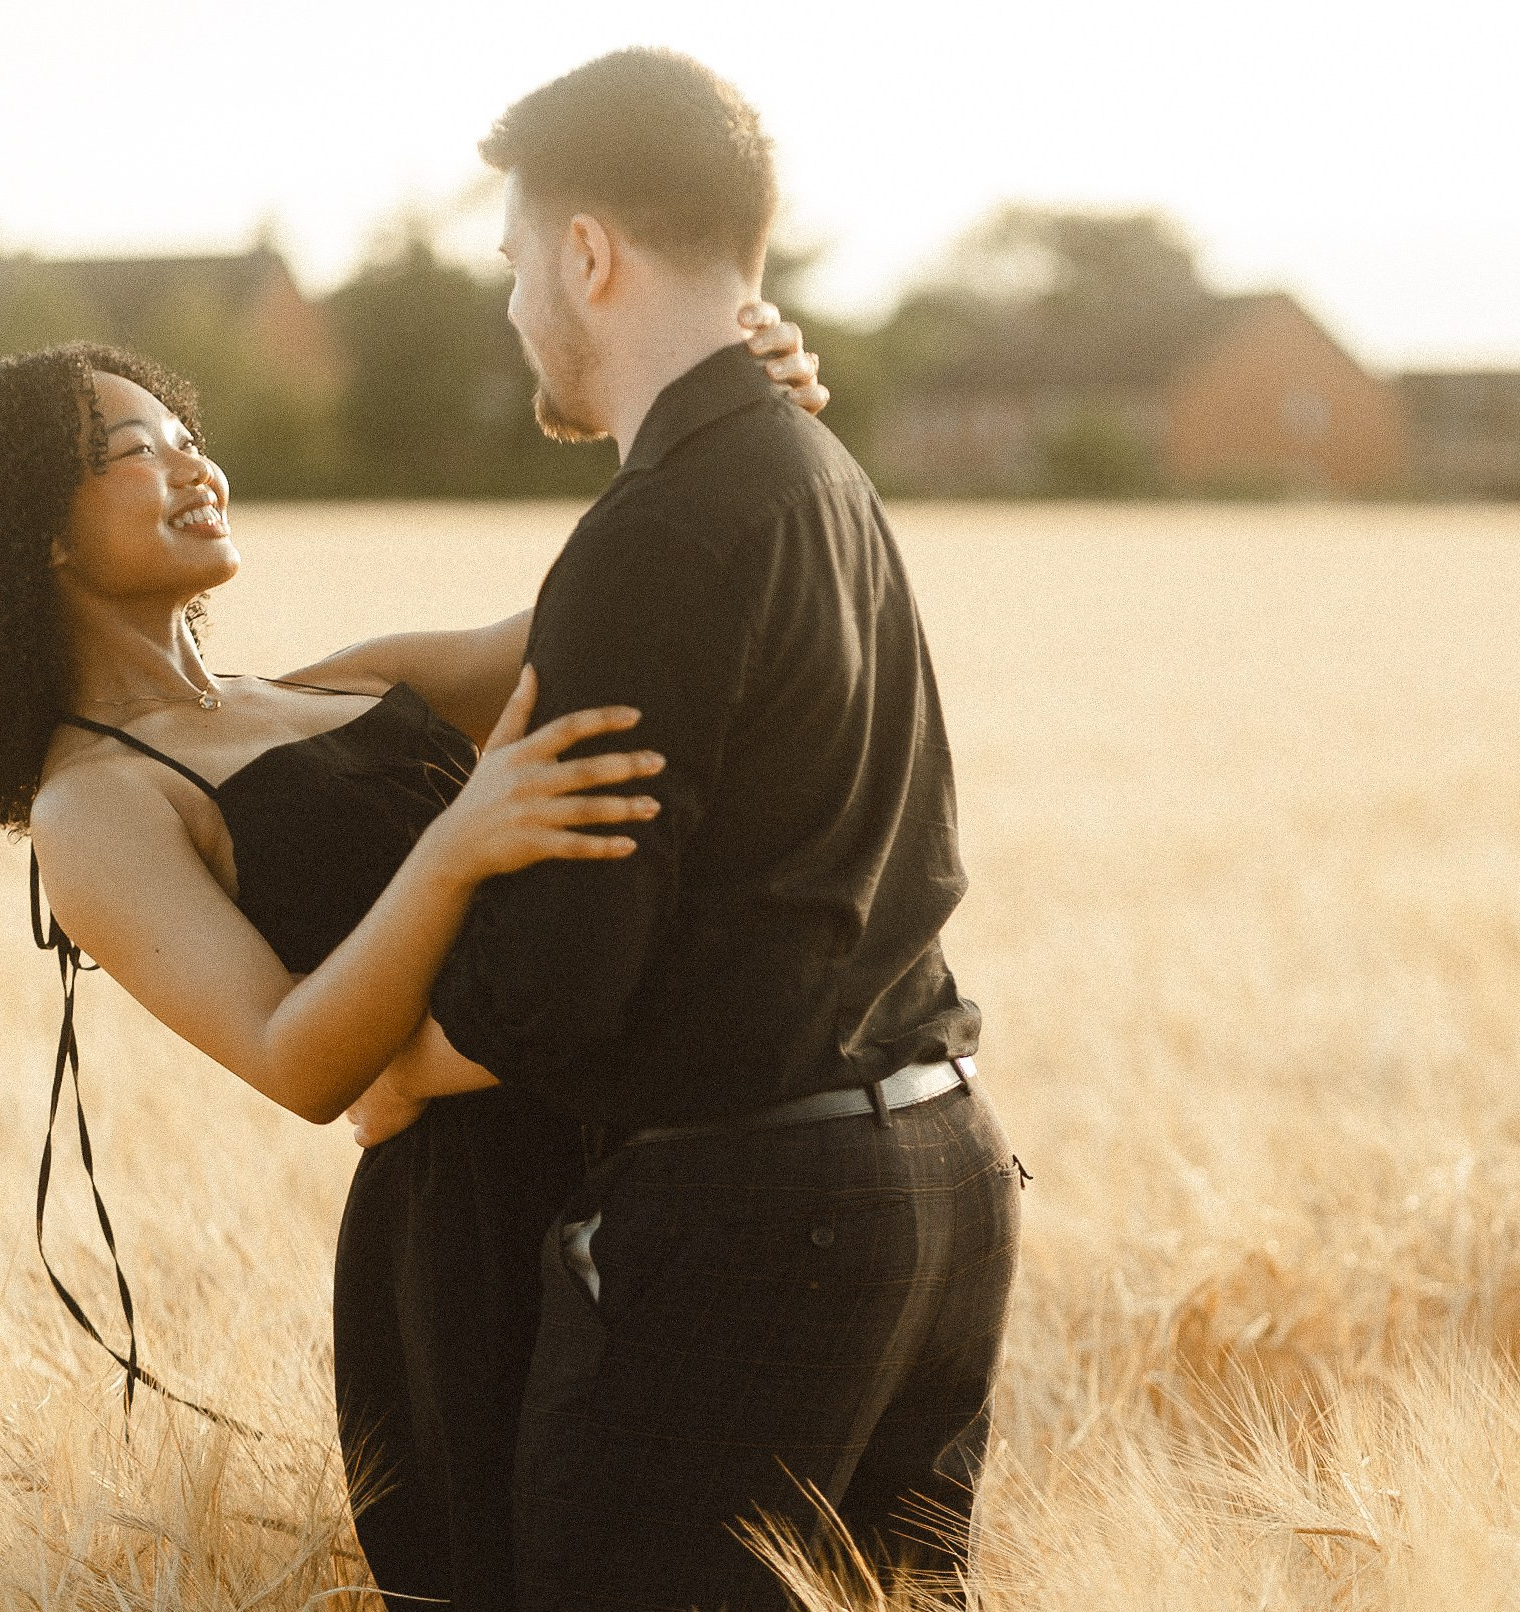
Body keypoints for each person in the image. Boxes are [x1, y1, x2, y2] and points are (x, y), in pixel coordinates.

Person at [0, 312, 830, 1611]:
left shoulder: (354, 684)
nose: (197, 466)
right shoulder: (97, 808)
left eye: (189, 436)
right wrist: (455, 847)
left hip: (655, 1169)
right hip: (481, 1234)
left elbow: (634, 603)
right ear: (38, 530)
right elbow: (296, 1061)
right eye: (137, 450)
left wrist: (737, 433)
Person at [378, 50, 1023, 1611]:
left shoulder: (663, 531)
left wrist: (378, 1059)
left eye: (514, 264)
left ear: (586, 253)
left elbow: (561, 978)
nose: (514, 307)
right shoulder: (815, 470)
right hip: (940, 1178)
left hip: (759, 1224)